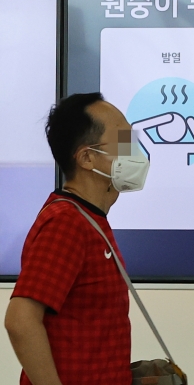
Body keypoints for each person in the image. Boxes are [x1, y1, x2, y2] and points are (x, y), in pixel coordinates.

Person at [4, 93, 149, 385]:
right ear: (86, 158)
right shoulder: (67, 223)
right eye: (122, 141)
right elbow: (20, 320)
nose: (134, 150)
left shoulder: (90, 219)